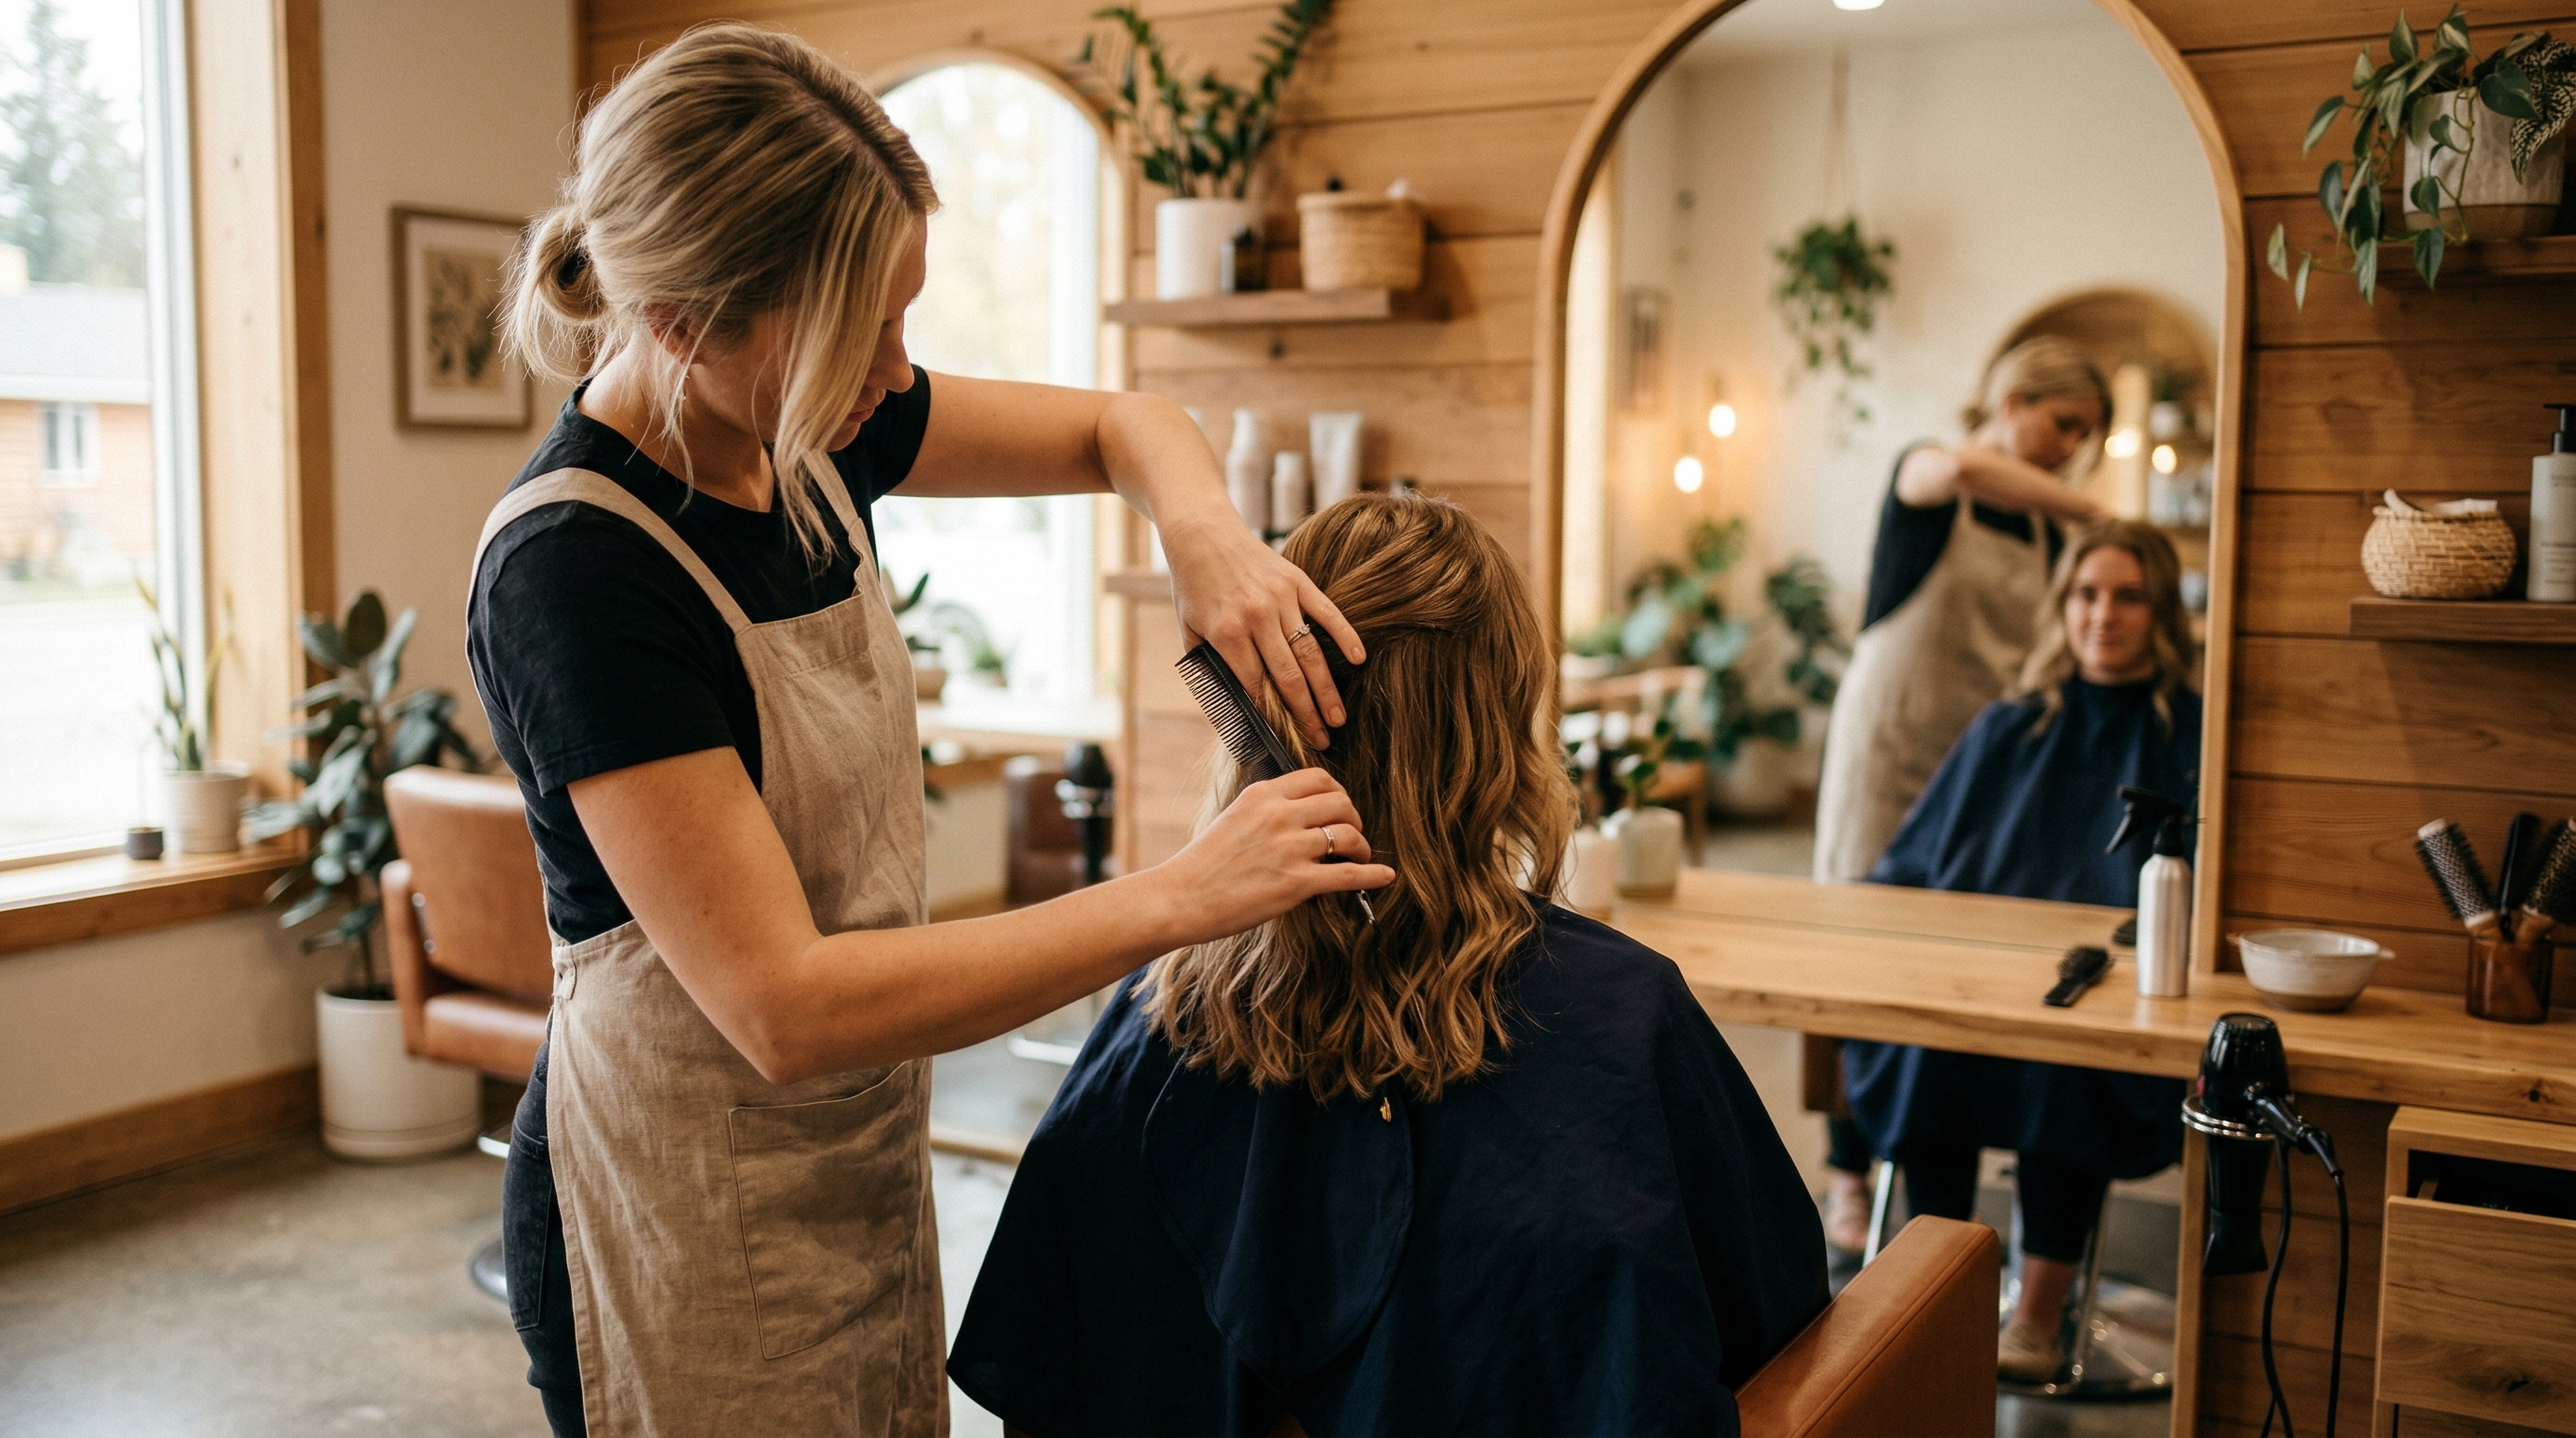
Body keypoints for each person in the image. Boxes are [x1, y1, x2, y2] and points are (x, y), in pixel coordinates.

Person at [467, 27, 1392, 1436]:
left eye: (902, 317)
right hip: (676, 1192)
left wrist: (1205, 534)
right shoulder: (579, 572)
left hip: (845, 1152)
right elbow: (787, 1007)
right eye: (864, 331)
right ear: (686, 323)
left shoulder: (806, 431)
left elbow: (1126, 424)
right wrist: (1182, 896)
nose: (899, 377)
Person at [948, 494, 1829, 1438]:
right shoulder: (1625, 1013)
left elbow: (1045, 1375)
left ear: (1257, 714)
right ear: (1502, 729)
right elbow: (1783, 1345)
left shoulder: (1153, 1020)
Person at [1840, 521, 2202, 1384]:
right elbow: (1909, 864)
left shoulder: (2190, 735)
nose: (2102, 616)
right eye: (2085, 594)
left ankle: (2036, 1317)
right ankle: (1942, 1299)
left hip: (2115, 1000)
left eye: (2127, 597)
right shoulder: (2009, 726)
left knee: (2061, 1065)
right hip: (1973, 986)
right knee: (1929, 1050)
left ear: (2160, 611)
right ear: (2061, 605)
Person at [1808, 335, 2111, 1251]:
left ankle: (1932, 1166)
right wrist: (2093, 508)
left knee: (1949, 962)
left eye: (2086, 436)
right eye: (2063, 424)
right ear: (2012, 402)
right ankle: (1846, 1172)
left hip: (1978, 770)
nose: (2071, 448)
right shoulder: (1929, 474)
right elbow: (1969, 466)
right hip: (1891, 748)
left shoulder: (2048, 533)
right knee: (1857, 959)